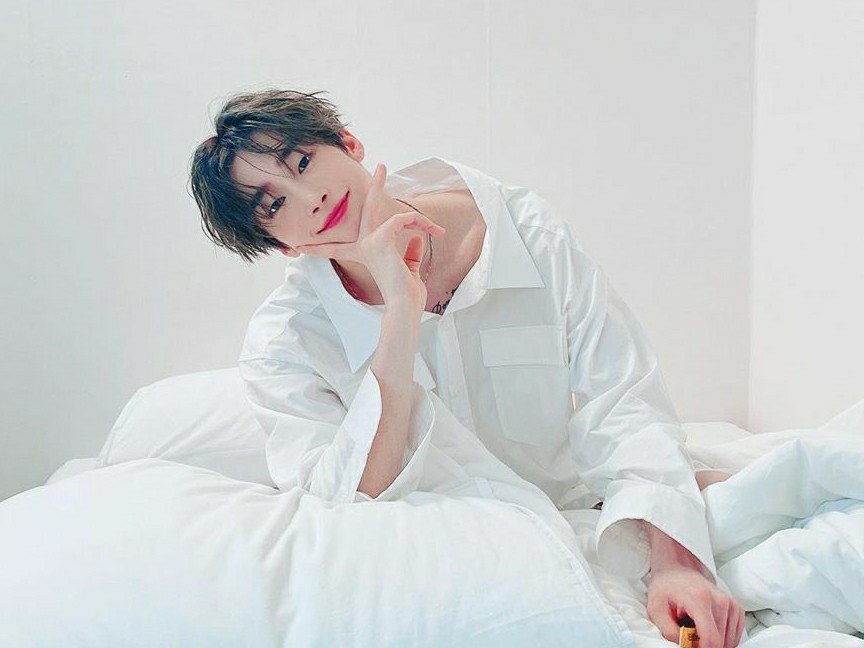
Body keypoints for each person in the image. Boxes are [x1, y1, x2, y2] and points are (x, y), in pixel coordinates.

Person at [189, 89, 744, 647]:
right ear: (280, 246)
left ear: (349, 143)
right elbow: (345, 503)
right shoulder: (285, 341)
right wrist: (400, 312)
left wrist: (677, 565)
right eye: (274, 206)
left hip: (579, 512)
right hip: (441, 561)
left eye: (303, 162)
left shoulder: (522, 231)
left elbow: (621, 395)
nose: (310, 199)